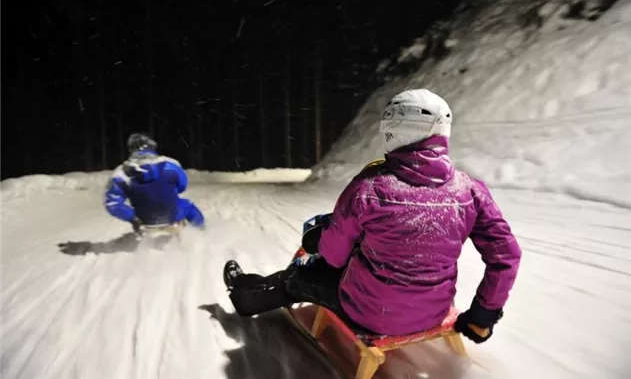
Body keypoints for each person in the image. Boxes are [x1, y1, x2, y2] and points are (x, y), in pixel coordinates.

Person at [223, 89, 522, 343]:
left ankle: (243, 294)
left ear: (396, 129)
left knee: (298, 276)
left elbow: (334, 258)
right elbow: (506, 255)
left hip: (370, 313)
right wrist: (483, 314)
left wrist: (322, 240)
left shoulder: (370, 187)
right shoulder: (469, 190)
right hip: (436, 310)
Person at [104, 133, 205, 232]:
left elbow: (112, 203)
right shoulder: (170, 165)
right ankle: (202, 232)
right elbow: (182, 186)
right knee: (188, 206)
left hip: (144, 220)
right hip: (172, 214)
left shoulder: (120, 173)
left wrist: (133, 218)